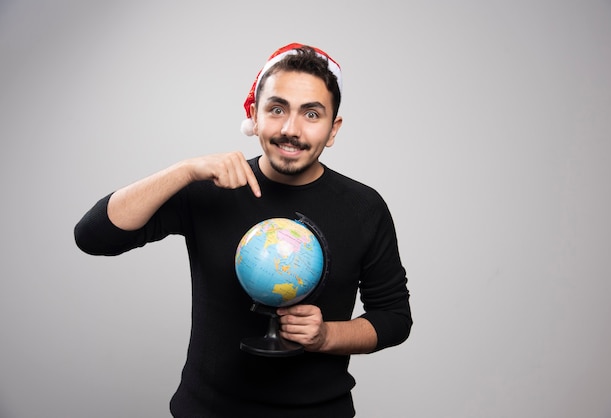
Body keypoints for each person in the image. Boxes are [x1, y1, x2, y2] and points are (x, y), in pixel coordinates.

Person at [75, 42, 412, 418]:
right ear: (253, 115)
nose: (290, 129)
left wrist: (326, 336)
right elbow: (93, 236)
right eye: (277, 109)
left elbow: (394, 318)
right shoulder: (212, 188)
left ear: (333, 129)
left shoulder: (363, 208)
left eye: (311, 114)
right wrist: (184, 171)